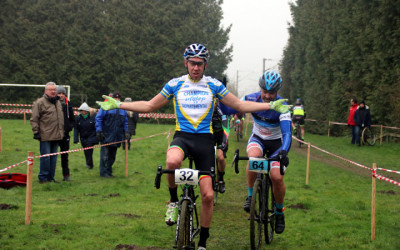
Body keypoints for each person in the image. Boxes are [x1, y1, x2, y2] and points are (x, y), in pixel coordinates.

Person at [96, 43, 291, 249]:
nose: (196, 68)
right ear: (186, 63)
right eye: (192, 63)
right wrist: (119, 104)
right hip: (183, 137)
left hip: (205, 142)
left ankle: (203, 242)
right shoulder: (175, 84)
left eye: (200, 64)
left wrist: (270, 105)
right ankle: (172, 202)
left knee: (207, 195)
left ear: (205, 65)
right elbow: (149, 105)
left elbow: (240, 106)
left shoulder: (214, 85)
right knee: (172, 160)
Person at [220, 70, 292, 235]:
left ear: (277, 91)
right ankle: (251, 196)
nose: (267, 96)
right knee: (253, 159)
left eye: (271, 92)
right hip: (258, 138)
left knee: (276, 177)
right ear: (260, 89)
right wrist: (220, 96)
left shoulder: (282, 105)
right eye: (264, 91)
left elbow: (287, 134)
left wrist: (283, 152)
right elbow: (227, 110)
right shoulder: (250, 98)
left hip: (276, 143)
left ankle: (279, 212)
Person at [30, 82, 64, 183]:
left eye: (54, 89)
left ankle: (51, 178)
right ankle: (43, 178)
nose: (53, 91)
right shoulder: (39, 102)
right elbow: (34, 118)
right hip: (45, 136)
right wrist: (36, 132)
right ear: (46, 91)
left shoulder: (57, 102)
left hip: (57, 135)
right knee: (45, 158)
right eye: (51, 90)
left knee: (53, 159)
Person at [95, 92, 129, 177]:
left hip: (117, 136)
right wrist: (99, 130)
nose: (117, 99)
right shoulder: (106, 107)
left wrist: (126, 131)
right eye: (115, 98)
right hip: (106, 135)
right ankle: (103, 173)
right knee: (104, 156)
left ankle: (109, 171)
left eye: (118, 98)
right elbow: (98, 118)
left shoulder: (123, 110)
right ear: (112, 98)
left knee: (112, 157)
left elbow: (125, 122)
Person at [57, 86, 75, 181]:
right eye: (59, 93)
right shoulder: (53, 104)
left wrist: (69, 127)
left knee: (65, 156)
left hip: (65, 135)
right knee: (52, 156)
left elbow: (72, 119)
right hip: (54, 134)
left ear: (64, 95)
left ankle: (66, 175)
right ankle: (49, 177)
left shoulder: (69, 105)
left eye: (62, 93)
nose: (60, 95)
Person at [74, 102, 98, 169]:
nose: (83, 112)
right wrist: (76, 139)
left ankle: (90, 164)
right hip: (83, 137)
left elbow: (95, 127)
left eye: (85, 111)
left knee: (89, 150)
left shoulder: (93, 117)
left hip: (91, 136)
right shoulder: (78, 118)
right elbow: (76, 129)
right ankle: (88, 163)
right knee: (85, 151)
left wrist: (95, 136)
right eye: (82, 111)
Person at [211, 100, 229, 193]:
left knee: (220, 158)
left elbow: (226, 127)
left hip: (221, 135)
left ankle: (221, 180)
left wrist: (224, 143)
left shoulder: (221, 110)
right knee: (207, 157)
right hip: (210, 135)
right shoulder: (205, 110)